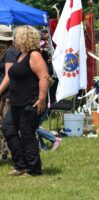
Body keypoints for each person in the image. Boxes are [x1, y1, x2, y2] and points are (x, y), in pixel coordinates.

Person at [4, 25, 49, 176]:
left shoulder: (34, 55)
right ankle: (20, 165)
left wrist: (42, 99)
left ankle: (34, 169)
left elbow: (44, 77)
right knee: (8, 128)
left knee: (27, 134)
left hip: (30, 102)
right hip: (16, 102)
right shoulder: (20, 55)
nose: (14, 39)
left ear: (24, 38)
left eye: (16, 36)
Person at [0, 25, 20, 163]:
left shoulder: (10, 53)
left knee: (8, 127)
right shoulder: (7, 52)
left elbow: (9, 75)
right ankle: (5, 154)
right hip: (5, 94)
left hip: (8, 95)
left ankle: (10, 155)